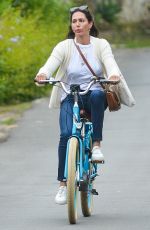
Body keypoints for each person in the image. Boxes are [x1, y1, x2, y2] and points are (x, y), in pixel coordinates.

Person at [35, 5, 134, 205]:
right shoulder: (64, 46)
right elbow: (51, 63)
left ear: (90, 24)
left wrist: (113, 74)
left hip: (92, 93)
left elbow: (109, 61)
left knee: (98, 95)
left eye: (81, 21)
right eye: (74, 21)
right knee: (65, 135)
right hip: (70, 95)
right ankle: (63, 185)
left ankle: (96, 145)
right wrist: (43, 74)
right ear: (71, 26)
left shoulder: (100, 44)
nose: (77, 24)